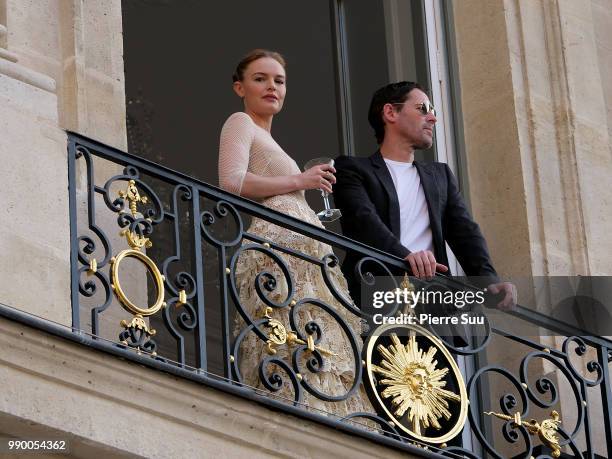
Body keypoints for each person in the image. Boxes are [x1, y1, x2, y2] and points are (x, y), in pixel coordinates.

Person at [218, 49, 372, 417]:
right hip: (278, 249)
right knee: (289, 341)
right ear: (240, 86)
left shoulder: (270, 139)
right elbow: (231, 182)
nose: (272, 86)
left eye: (279, 80)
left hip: (305, 256)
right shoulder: (240, 122)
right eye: (260, 79)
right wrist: (300, 180)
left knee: (317, 345)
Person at [333, 81, 516, 311]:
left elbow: (465, 232)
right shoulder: (352, 169)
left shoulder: (440, 176)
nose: (432, 118)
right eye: (423, 109)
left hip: (433, 305)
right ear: (390, 112)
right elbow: (364, 222)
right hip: (374, 300)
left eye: (433, 111)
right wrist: (406, 257)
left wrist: (489, 281)